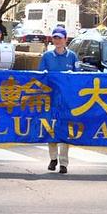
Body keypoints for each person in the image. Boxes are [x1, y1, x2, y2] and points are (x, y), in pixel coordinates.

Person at [37, 27, 78, 174]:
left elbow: (78, 77)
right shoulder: (47, 56)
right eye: (55, 38)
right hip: (51, 98)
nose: (57, 40)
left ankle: (64, 162)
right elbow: (41, 76)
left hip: (66, 99)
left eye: (60, 38)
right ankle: (53, 158)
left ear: (66, 39)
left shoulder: (72, 56)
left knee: (65, 128)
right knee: (52, 127)